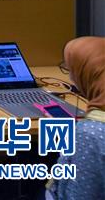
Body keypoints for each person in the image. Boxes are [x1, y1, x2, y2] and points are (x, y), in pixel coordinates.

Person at [46, 36, 105, 200]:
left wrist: (77, 136)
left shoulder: (90, 134)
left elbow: (79, 193)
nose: (71, 78)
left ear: (89, 74)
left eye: (71, 71)